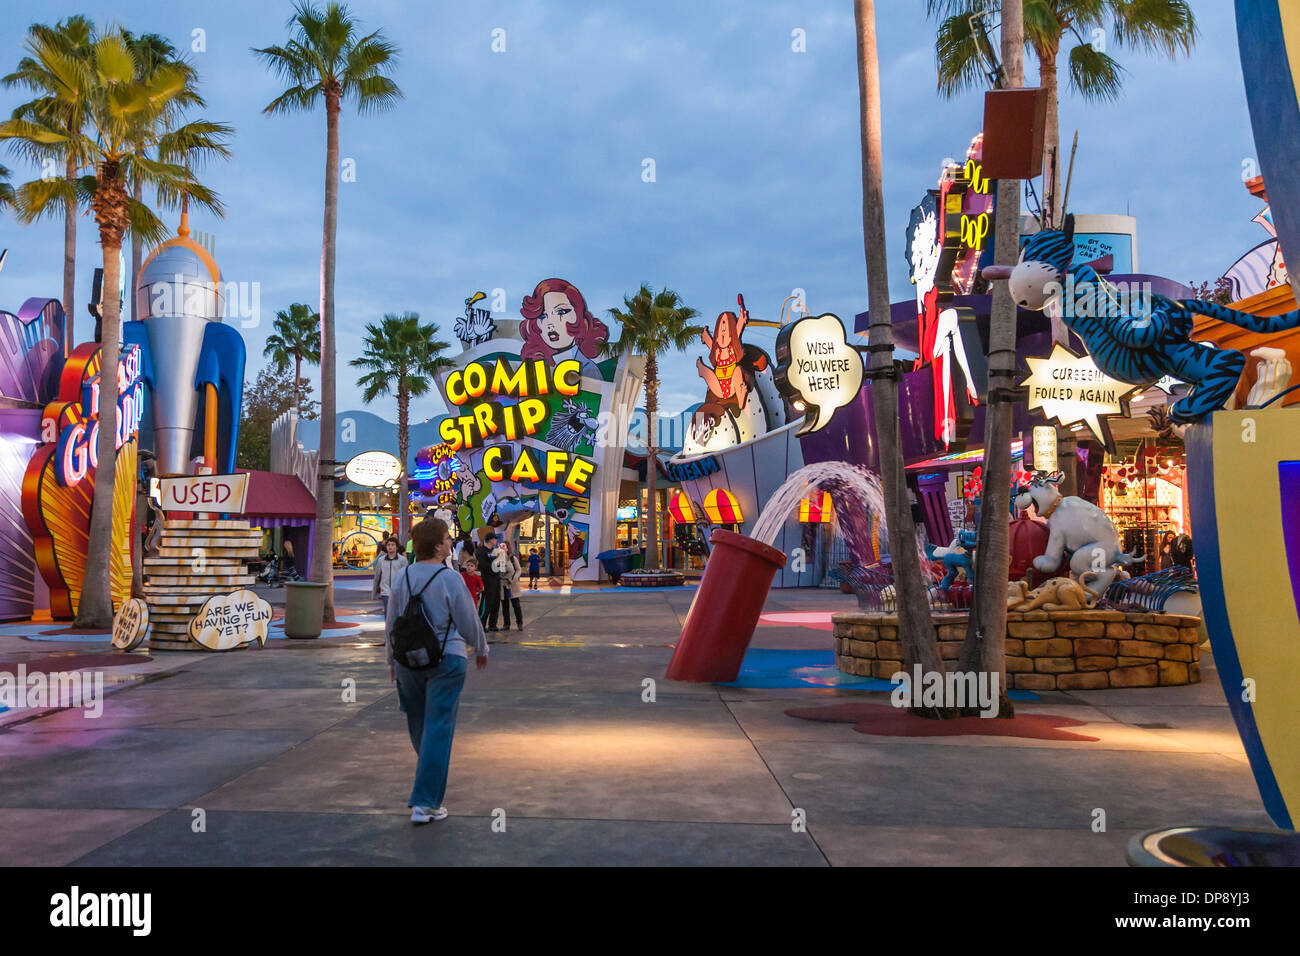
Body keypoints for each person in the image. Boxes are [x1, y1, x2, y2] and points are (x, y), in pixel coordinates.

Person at [385, 517, 488, 825]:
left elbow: (392, 624)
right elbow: (468, 619)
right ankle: (425, 802)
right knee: (439, 727)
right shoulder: (450, 578)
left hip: (407, 663)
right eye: (446, 538)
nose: (449, 542)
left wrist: (391, 660)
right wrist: (481, 648)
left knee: (420, 726)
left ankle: (427, 793)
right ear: (438, 545)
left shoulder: (402, 577)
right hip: (447, 660)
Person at [475, 530, 503, 632]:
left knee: (496, 603)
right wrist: (495, 564)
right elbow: (483, 566)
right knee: (486, 603)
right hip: (487, 580)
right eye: (495, 538)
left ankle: (492, 624)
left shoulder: (494, 552)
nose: (496, 540)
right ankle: (481, 624)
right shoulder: (481, 551)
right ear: (490, 540)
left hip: (496, 580)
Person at [372, 536, 407, 615]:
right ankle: (389, 627)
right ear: (386, 547)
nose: (390, 547)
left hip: (398, 591)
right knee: (388, 613)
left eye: (393, 545)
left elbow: (405, 577)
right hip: (385, 591)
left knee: (399, 613)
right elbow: (377, 576)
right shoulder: (381, 560)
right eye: (388, 545)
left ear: (397, 547)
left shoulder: (402, 560)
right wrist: (374, 593)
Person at [500, 540, 523, 630]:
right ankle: (506, 624)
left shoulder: (513, 559)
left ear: (507, 548)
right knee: (504, 606)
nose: (501, 548)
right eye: (500, 547)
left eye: (503, 546)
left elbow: (518, 569)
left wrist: (514, 578)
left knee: (516, 605)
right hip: (503, 585)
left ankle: (519, 623)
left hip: (512, 584)